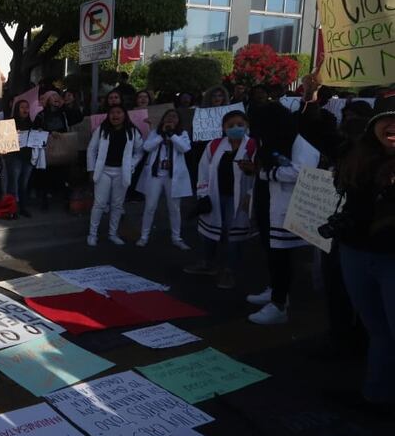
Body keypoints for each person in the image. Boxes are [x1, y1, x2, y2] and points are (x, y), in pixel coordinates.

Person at [333, 95, 395, 408]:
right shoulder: (357, 160)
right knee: (378, 330)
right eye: (387, 120)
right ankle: (375, 396)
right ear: (373, 127)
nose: (393, 126)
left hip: (390, 262)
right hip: (356, 254)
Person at [246, 105, 320, 325]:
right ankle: (276, 290)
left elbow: (302, 170)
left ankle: (279, 305)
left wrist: (270, 173)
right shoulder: (273, 141)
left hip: (285, 206)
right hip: (267, 201)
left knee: (282, 256)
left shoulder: (299, 143)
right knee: (271, 252)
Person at [185, 110, 257, 288]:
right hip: (216, 195)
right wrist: (203, 195)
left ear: (247, 125)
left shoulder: (253, 146)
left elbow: (259, 173)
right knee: (210, 230)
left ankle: (230, 271)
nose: (235, 128)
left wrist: (252, 194)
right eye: (230, 125)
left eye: (240, 124)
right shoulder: (215, 145)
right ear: (223, 128)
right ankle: (208, 263)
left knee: (235, 235)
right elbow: (203, 171)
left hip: (240, 198)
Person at [86, 104, 144, 246]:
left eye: (119, 112)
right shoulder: (102, 129)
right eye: (112, 112)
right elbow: (91, 150)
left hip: (121, 172)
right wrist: (91, 169)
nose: (115, 115)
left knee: (117, 205)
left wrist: (131, 165)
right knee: (99, 204)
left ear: (124, 115)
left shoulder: (132, 131)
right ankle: (92, 234)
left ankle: (113, 233)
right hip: (104, 170)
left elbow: (139, 151)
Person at [135, 109, 192, 249]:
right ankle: (144, 236)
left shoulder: (182, 134)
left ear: (178, 121)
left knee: (174, 208)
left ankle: (176, 238)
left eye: (174, 117)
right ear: (163, 118)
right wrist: (162, 135)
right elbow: (147, 147)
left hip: (173, 176)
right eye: (168, 116)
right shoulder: (155, 133)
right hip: (156, 175)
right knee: (150, 206)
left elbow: (185, 148)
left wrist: (172, 135)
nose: (171, 119)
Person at [5, 99, 35, 217]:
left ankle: (23, 207)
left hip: (27, 157)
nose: (25, 110)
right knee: (14, 184)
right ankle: (12, 209)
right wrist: (13, 134)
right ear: (17, 109)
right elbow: (5, 138)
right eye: (22, 107)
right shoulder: (11, 122)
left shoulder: (31, 123)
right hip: (15, 157)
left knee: (24, 184)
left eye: (27, 107)